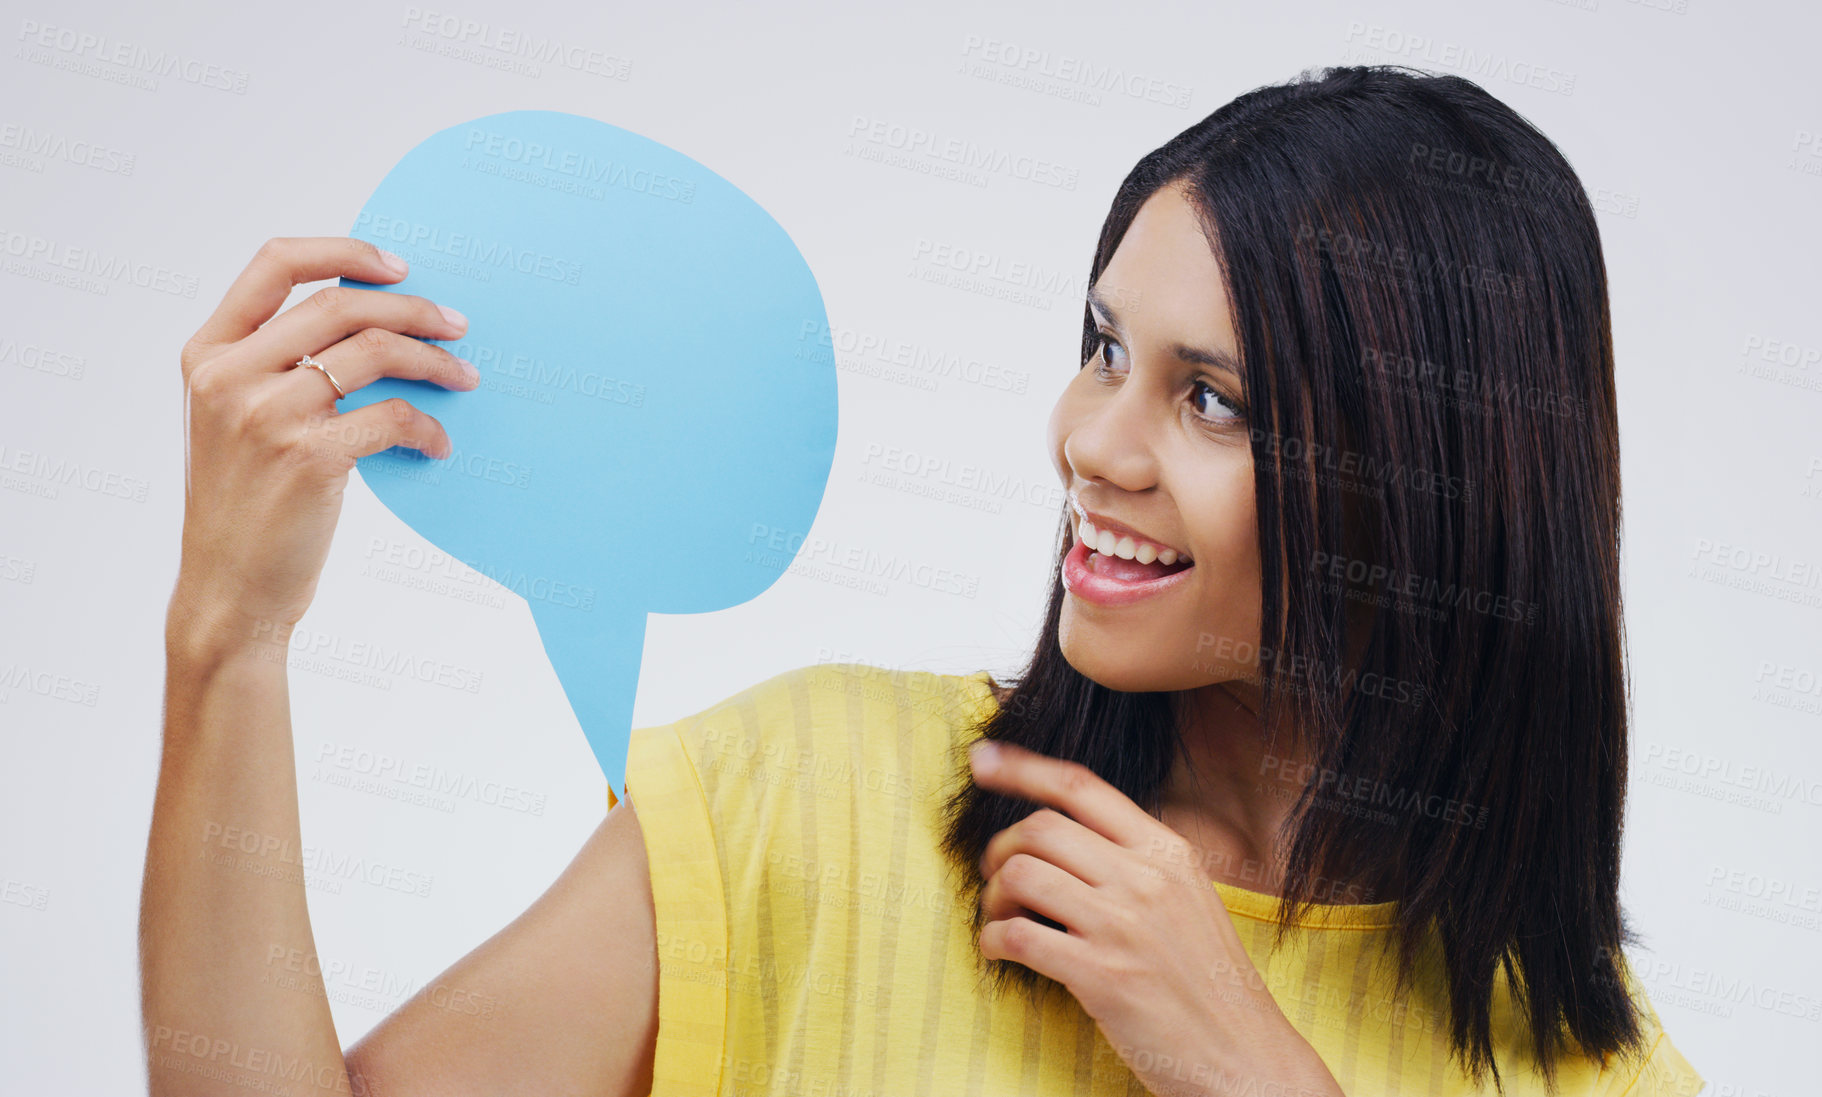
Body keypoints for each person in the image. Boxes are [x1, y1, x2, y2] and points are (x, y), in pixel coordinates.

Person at [142, 64, 1704, 1096]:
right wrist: (231, 635)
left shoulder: (1597, 1071)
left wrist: (1252, 1068)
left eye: (1209, 399)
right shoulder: (814, 795)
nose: (1091, 442)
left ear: (1438, 490)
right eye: (1103, 349)